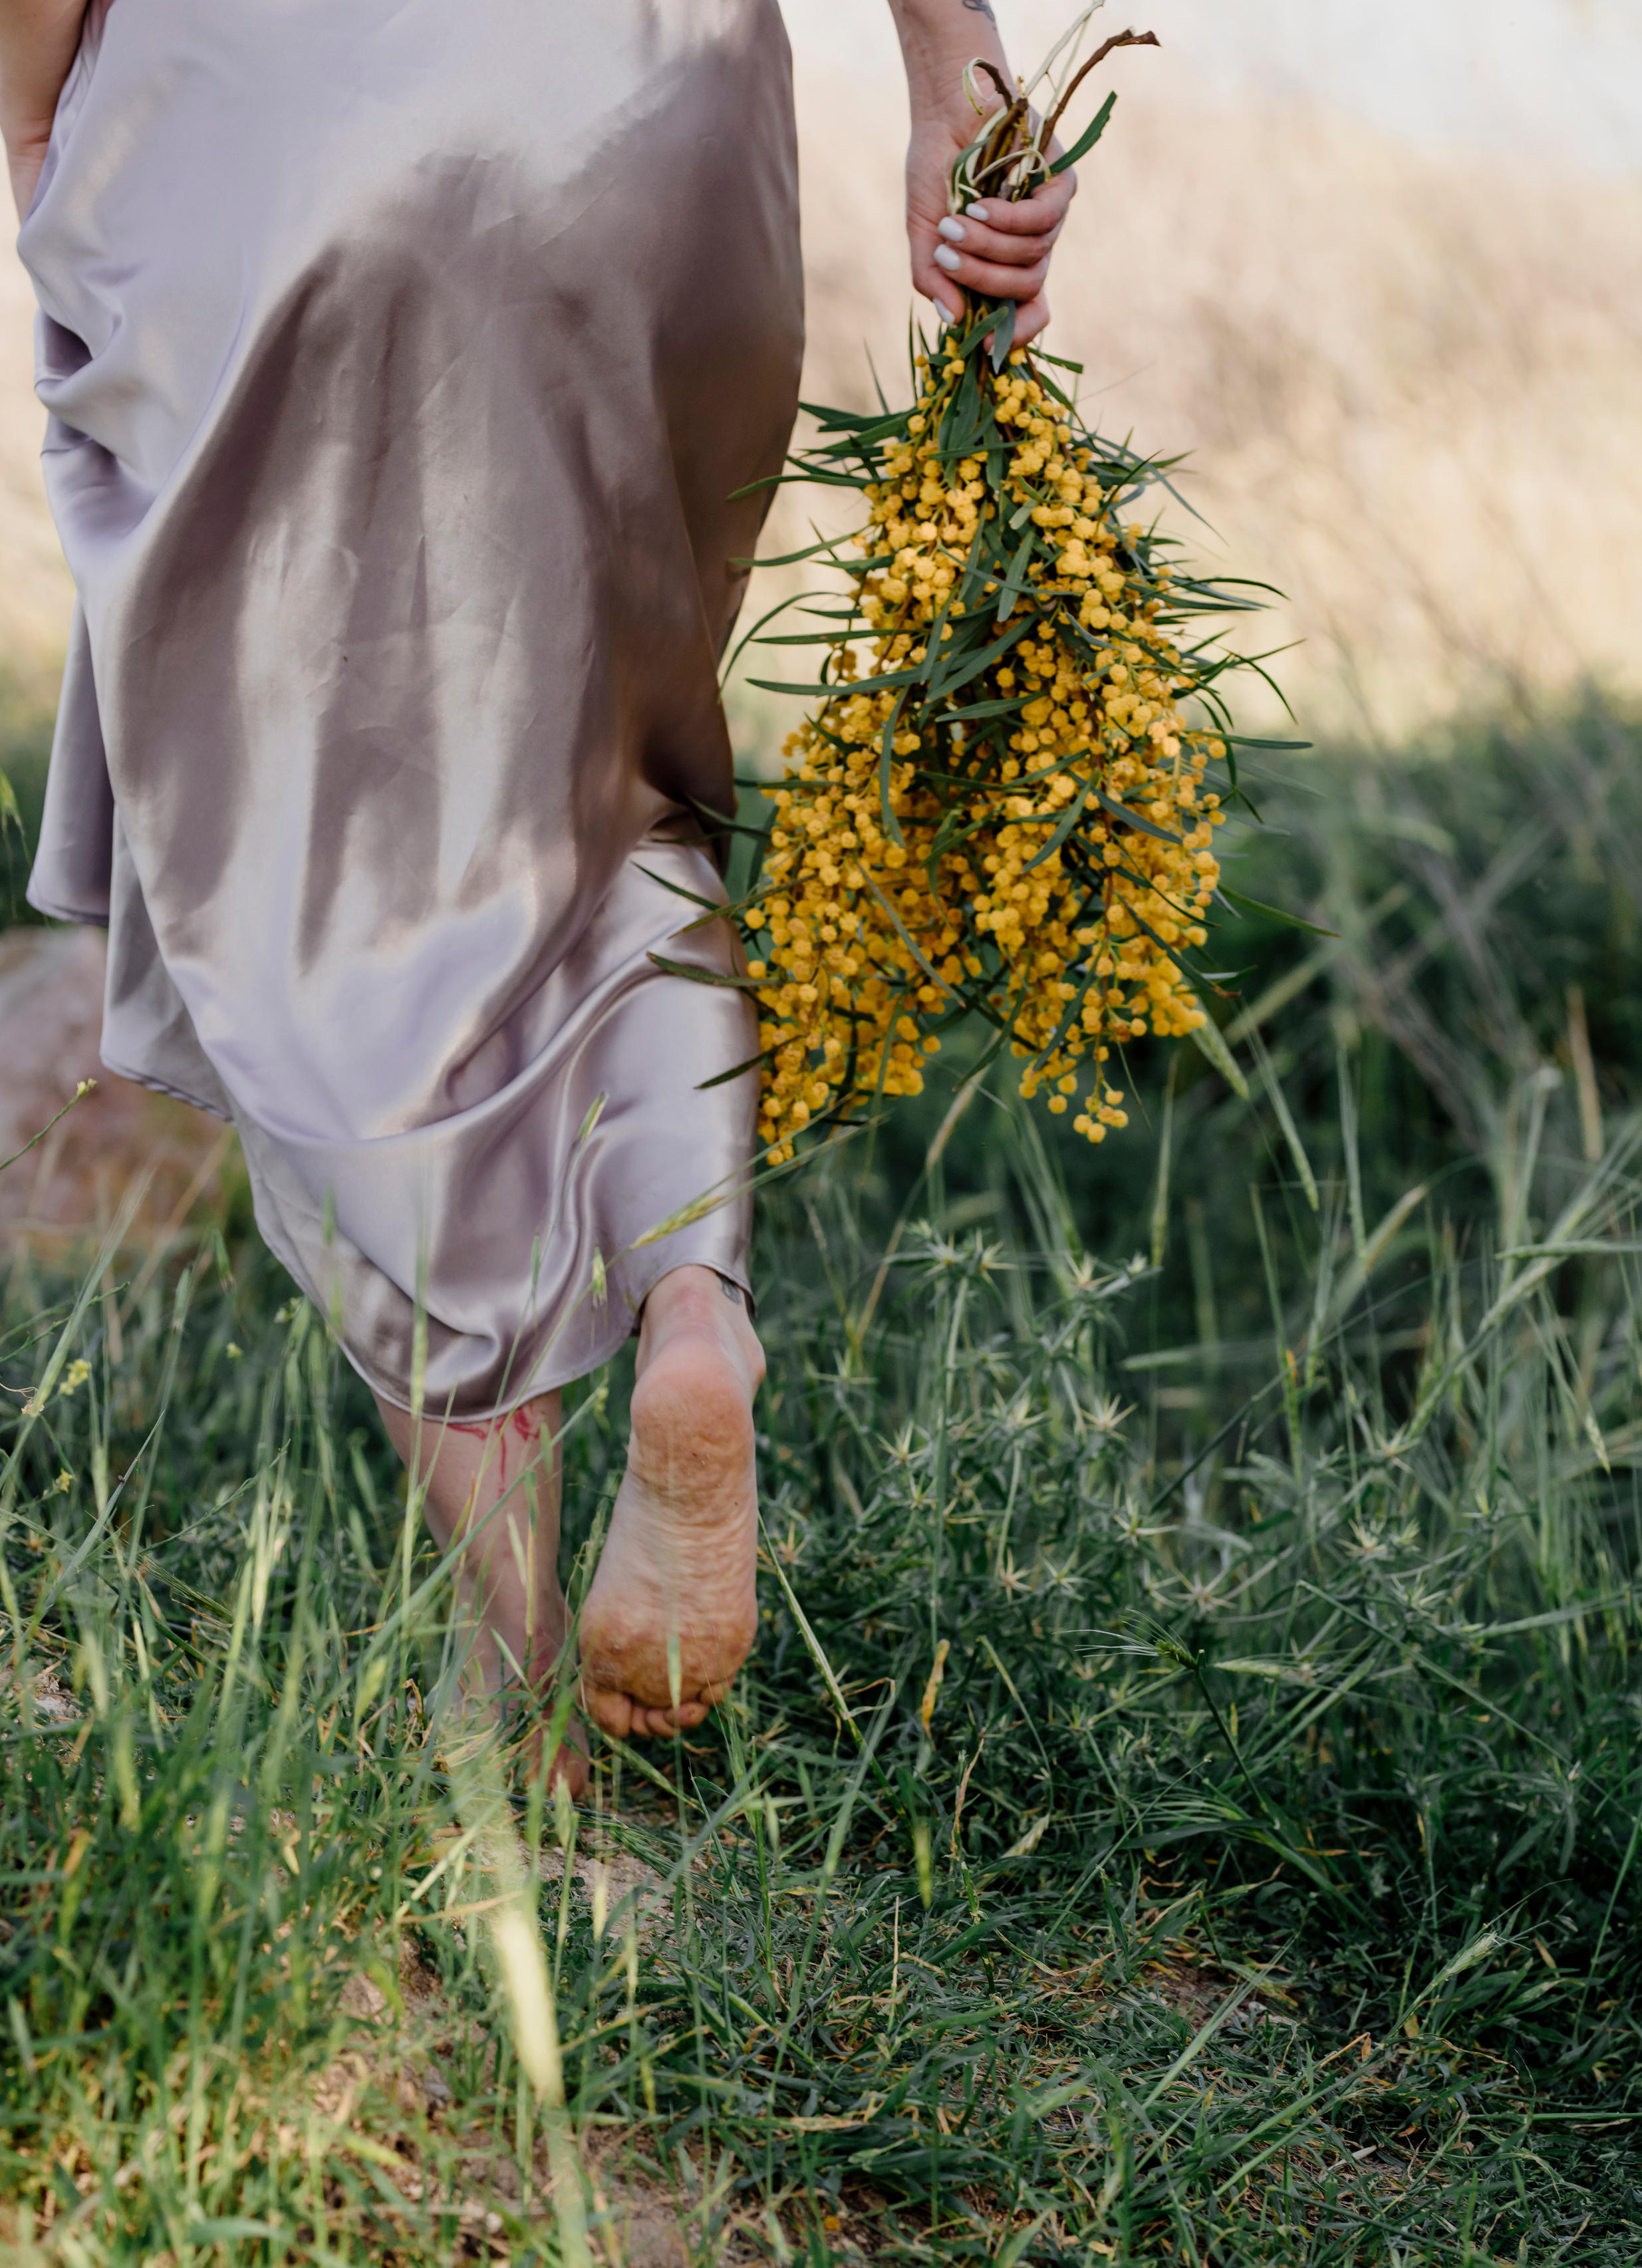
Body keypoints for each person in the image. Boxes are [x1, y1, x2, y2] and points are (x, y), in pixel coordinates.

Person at [1, 0, 1074, 1792]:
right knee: (612, 806)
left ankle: (504, 1677)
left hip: (286, 121)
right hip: (666, 122)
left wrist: (32, 126)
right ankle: (691, 1306)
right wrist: (947, 66)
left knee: (333, 877)